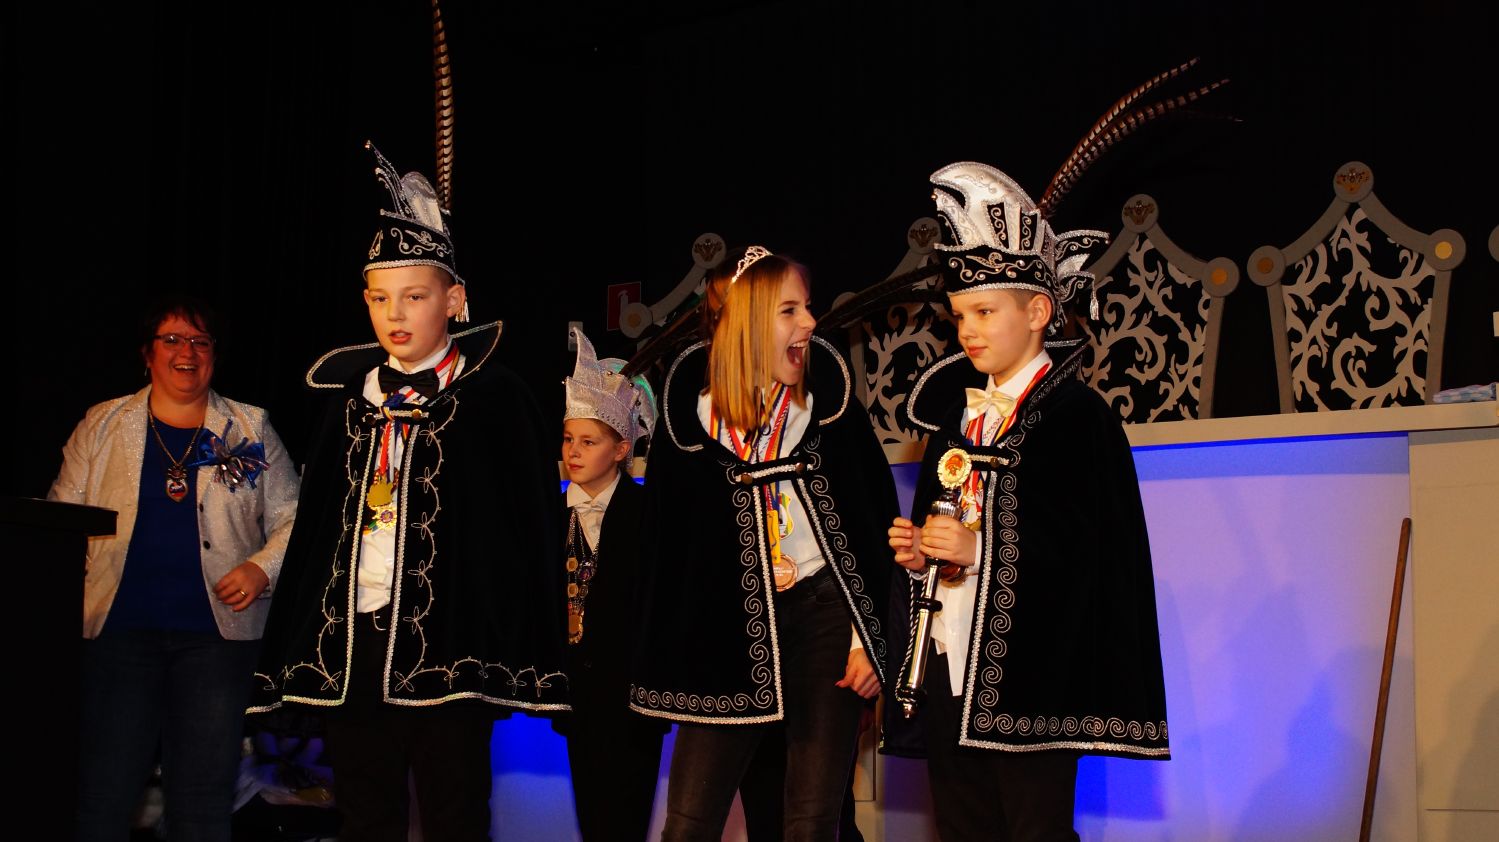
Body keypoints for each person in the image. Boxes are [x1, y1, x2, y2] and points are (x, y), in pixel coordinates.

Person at [249, 141, 566, 842]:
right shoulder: (347, 400)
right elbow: (318, 531)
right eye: (380, 298)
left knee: (456, 813)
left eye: (415, 296)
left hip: (449, 644)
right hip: (352, 647)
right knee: (364, 813)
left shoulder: (495, 399)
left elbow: (524, 529)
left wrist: (513, 633)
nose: (395, 313)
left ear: (454, 300)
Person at [885, 160, 1171, 842]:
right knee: (963, 830)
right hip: (949, 664)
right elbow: (949, 521)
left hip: (1032, 677)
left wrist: (981, 550)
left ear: (1038, 312)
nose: (967, 330)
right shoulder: (956, 420)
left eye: (985, 312)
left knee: (1035, 830)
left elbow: (1091, 555)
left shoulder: (1077, 418)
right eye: (960, 315)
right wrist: (922, 556)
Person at [630, 245, 898, 841]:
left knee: (812, 822)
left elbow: (873, 526)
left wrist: (868, 640)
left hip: (826, 618)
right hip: (727, 630)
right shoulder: (691, 422)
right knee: (688, 822)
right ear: (749, 322)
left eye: (808, 307)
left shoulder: (830, 412)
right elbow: (671, 555)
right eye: (790, 311)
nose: (810, 322)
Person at [50, 294, 299, 842]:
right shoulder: (102, 423)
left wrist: (262, 568)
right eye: (172, 339)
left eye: (200, 341)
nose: (187, 352)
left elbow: (294, 517)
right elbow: (60, 520)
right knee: (104, 794)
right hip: (117, 635)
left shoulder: (250, 425)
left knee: (203, 801)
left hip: (216, 643)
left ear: (214, 355)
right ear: (148, 353)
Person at [554, 326, 667, 841]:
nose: (574, 452)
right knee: (592, 814)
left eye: (589, 441)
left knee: (628, 815)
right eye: (568, 439)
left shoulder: (648, 514)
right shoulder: (550, 516)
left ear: (621, 449)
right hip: (577, 696)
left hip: (635, 696)